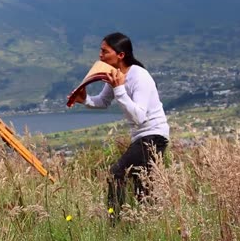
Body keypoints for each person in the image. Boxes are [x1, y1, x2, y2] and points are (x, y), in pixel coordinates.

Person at [68, 32, 169, 217]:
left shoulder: (139, 76)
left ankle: (115, 222)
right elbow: (102, 102)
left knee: (116, 174)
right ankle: (148, 222)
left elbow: (139, 116)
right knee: (142, 188)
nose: (100, 55)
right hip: (142, 136)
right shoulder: (114, 76)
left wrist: (119, 89)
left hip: (154, 135)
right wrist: (85, 99)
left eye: (105, 51)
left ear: (120, 55)